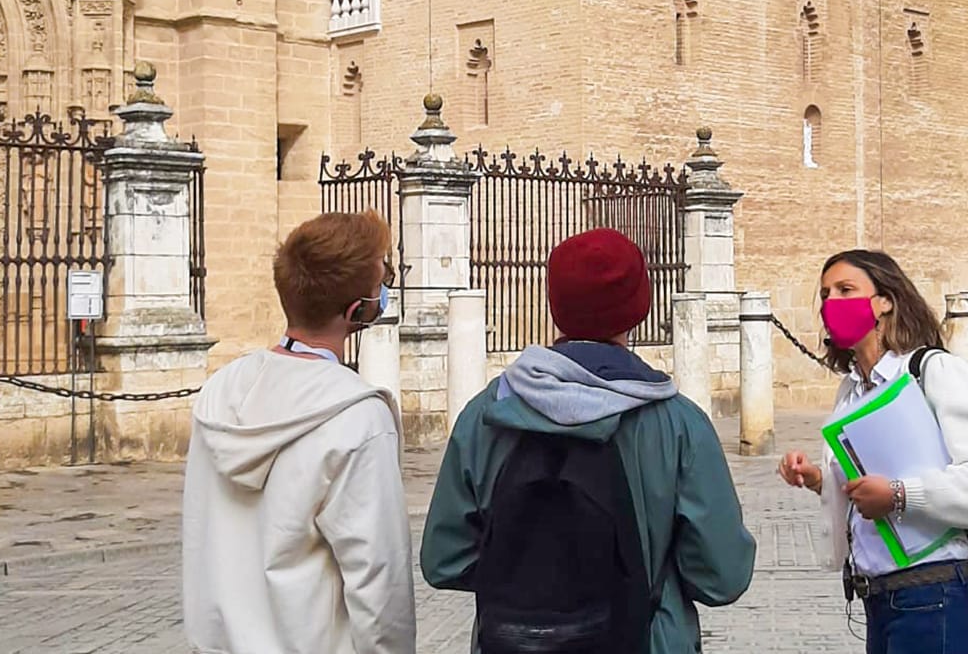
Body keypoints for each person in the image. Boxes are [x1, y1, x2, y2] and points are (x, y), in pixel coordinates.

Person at [421, 228, 756, 653]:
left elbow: (443, 560)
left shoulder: (484, 414)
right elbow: (722, 576)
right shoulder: (679, 424)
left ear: (555, 303)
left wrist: (534, 583)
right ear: (639, 307)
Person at [182, 211, 415, 654]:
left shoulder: (220, 391)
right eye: (381, 283)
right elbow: (378, 578)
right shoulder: (358, 418)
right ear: (358, 310)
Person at [778, 249, 968, 654]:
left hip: (936, 593)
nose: (832, 302)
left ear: (885, 301)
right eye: (825, 294)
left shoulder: (935, 373)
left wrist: (899, 495)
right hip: (879, 598)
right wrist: (820, 479)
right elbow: (869, 486)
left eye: (846, 290)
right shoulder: (851, 389)